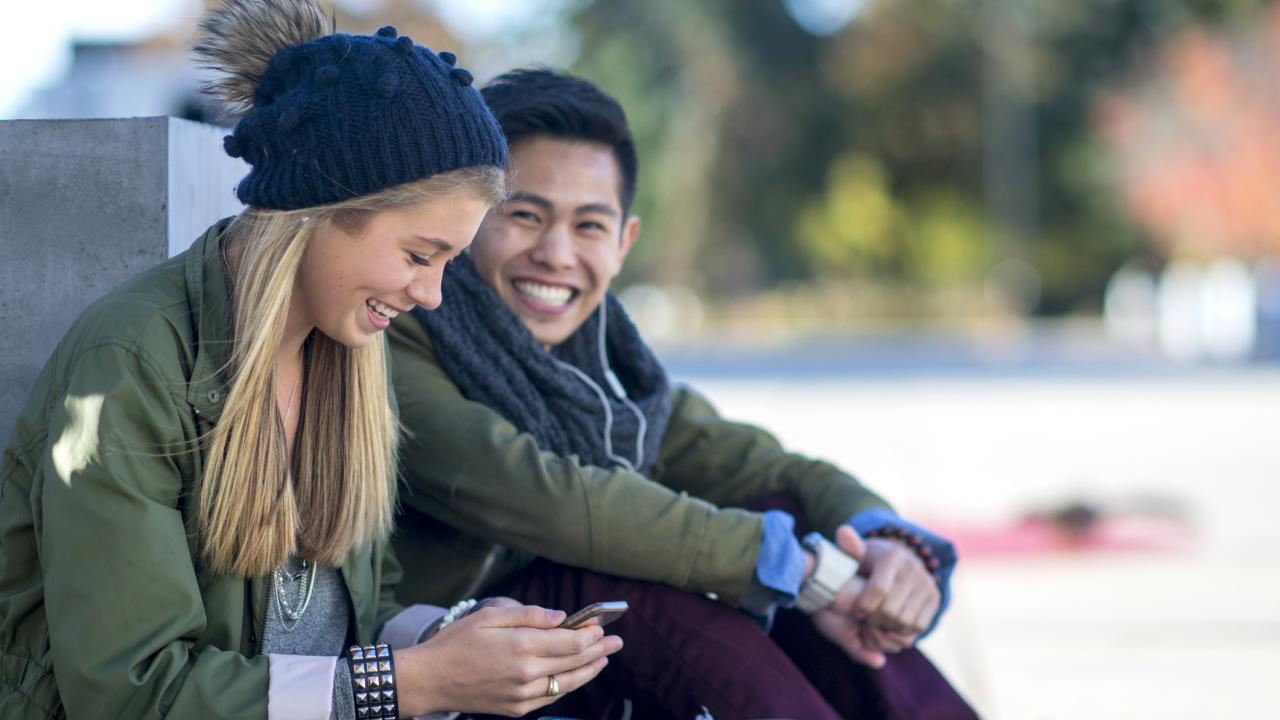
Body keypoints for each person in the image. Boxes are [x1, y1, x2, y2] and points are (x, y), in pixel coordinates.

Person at [0, 4, 621, 718]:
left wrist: (454, 641)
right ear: (318, 211)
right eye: (420, 255)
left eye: (448, 260)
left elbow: (353, 614)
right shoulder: (131, 363)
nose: (431, 293)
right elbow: (129, 692)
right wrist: (418, 683)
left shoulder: (350, 355)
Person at [388, 69, 976, 718]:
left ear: (623, 243)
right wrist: (800, 571)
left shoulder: (611, 367)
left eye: (588, 226)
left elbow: (769, 467)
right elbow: (549, 500)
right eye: (525, 215)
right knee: (630, 575)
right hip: (441, 660)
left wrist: (883, 543)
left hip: (561, 661)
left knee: (780, 511)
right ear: (466, 219)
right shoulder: (402, 333)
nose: (556, 254)